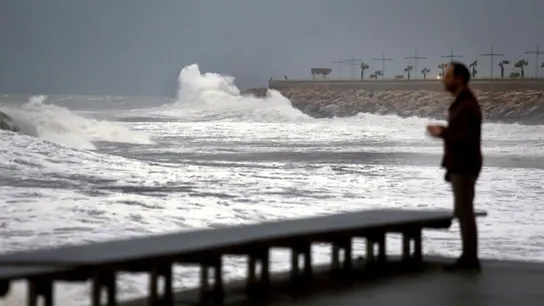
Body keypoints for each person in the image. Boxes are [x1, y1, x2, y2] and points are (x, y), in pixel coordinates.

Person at [427, 62, 482, 271]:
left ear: (459, 79)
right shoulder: (463, 103)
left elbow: (465, 139)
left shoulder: (467, 105)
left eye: (448, 76)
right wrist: (444, 131)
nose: (444, 80)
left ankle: (469, 260)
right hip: (461, 165)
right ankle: (467, 257)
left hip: (464, 166)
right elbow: (461, 135)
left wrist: (442, 132)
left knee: (465, 213)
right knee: (463, 212)